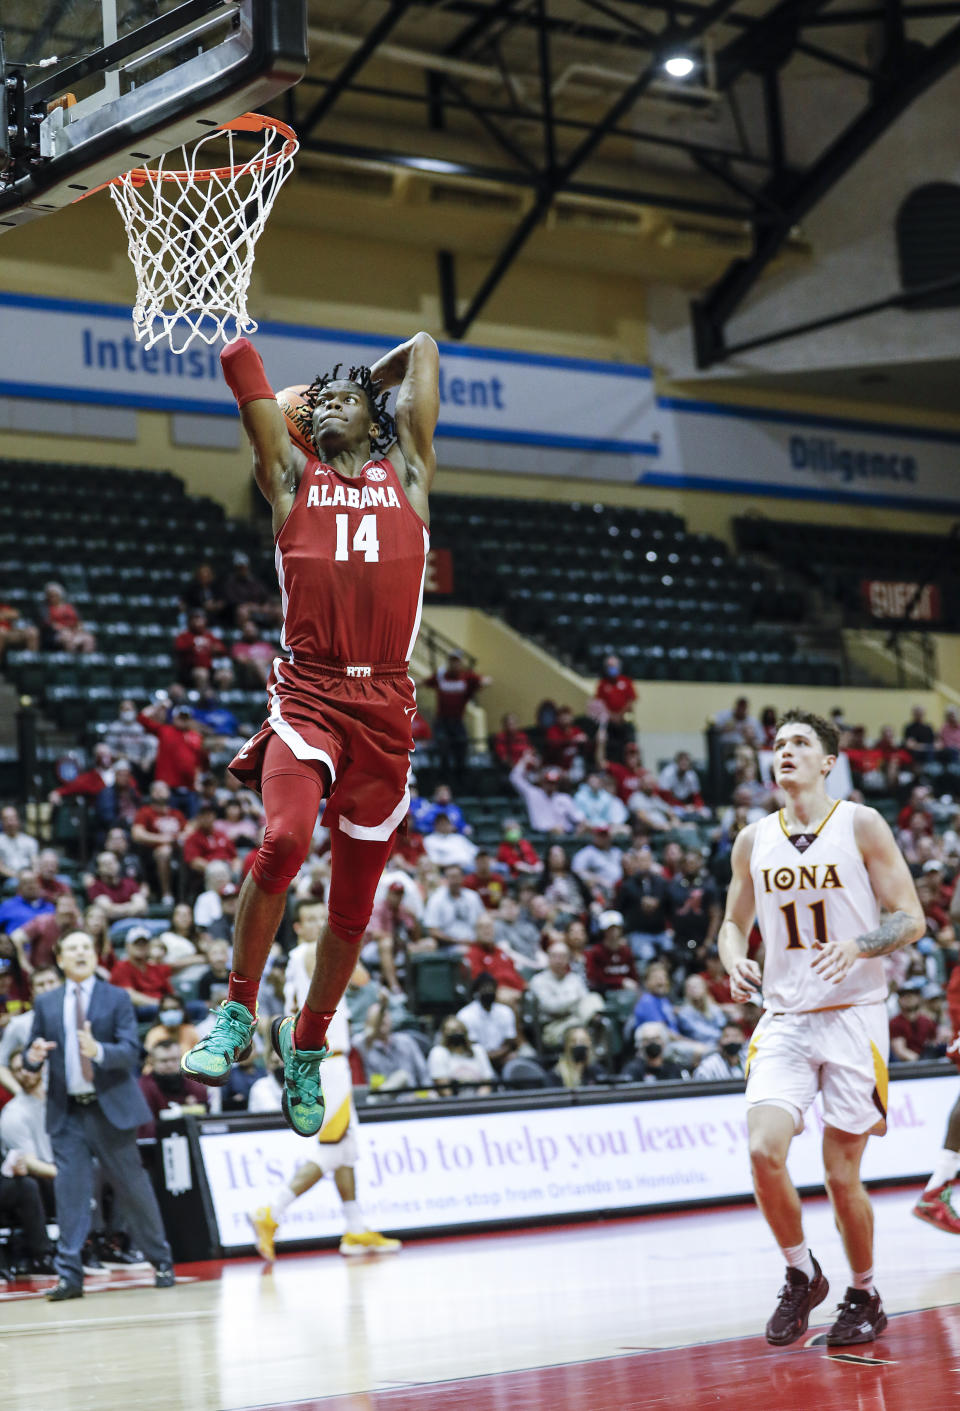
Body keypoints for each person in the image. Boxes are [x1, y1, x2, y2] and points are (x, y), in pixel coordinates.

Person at [181, 330, 440, 1142]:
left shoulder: (411, 473)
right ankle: (235, 1010)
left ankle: (307, 1042)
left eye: (345, 399)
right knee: (284, 839)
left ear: (377, 417)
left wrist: (365, 374)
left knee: (354, 904)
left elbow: (426, 348)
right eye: (317, 400)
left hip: (387, 704)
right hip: (309, 691)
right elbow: (246, 384)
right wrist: (237, 344)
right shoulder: (290, 478)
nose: (327, 405)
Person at [718, 708, 924, 1347]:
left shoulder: (860, 824)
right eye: (778, 744)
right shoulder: (753, 838)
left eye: (801, 743)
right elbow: (732, 923)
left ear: (828, 761)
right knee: (761, 1150)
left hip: (854, 1017)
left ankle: (863, 1291)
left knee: (841, 1173)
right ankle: (801, 1274)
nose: (786, 752)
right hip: (783, 1017)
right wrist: (733, 957)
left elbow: (910, 917)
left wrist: (861, 945)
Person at [22, 931, 175, 1298]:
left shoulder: (116, 997)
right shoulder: (46, 1003)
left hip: (110, 1108)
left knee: (133, 1189)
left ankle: (161, 1260)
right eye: (71, 948)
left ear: (95, 956)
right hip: (68, 1111)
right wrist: (33, 1056)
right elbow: (30, 1052)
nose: (79, 953)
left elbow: (131, 1051)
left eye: (85, 948)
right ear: (59, 959)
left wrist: (99, 1050)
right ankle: (70, 1276)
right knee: (70, 1193)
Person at [422, 650, 492, 785]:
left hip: (457, 721)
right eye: (452, 661)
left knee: (462, 745)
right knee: (443, 746)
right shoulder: (441, 676)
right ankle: (443, 780)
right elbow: (425, 682)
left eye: (457, 661)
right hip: (442, 721)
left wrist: (483, 683)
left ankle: (461, 779)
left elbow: (486, 681)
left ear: (461, 663)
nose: (454, 664)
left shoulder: (467, 677)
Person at [528, 941, 605, 1048]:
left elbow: (586, 1001)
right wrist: (575, 1000)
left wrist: (570, 1003)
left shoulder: (575, 979)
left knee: (594, 997)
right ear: (548, 958)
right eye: (555, 956)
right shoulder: (538, 981)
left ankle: (596, 1027)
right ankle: (593, 1025)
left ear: (568, 959)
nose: (559, 960)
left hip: (578, 1019)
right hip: (554, 1026)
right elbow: (552, 1007)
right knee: (583, 1027)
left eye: (563, 956)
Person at [138, 1038, 209, 1138]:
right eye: (164, 1061)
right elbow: (145, 1128)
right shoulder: (143, 1087)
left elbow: (206, 1120)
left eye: (174, 1059)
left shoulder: (195, 1084)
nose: (170, 1065)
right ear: (152, 1062)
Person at [457, 974, 519, 1072]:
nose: (488, 991)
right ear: (476, 991)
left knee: (514, 1058)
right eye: (485, 988)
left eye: (491, 988)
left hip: (503, 1056)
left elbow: (510, 1041)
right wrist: (486, 1058)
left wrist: (498, 1055)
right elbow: (470, 1046)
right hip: (477, 1058)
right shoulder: (465, 1014)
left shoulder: (505, 1011)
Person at [0, 806, 39, 882]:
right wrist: (19, 877)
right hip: (9, 878)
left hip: (29, 876)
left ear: (18, 820)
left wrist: (33, 875)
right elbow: (0, 868)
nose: (10, 822)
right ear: (2, 822)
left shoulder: (30, 841)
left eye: (12, 819)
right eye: (6, 819)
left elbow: (35, 863)